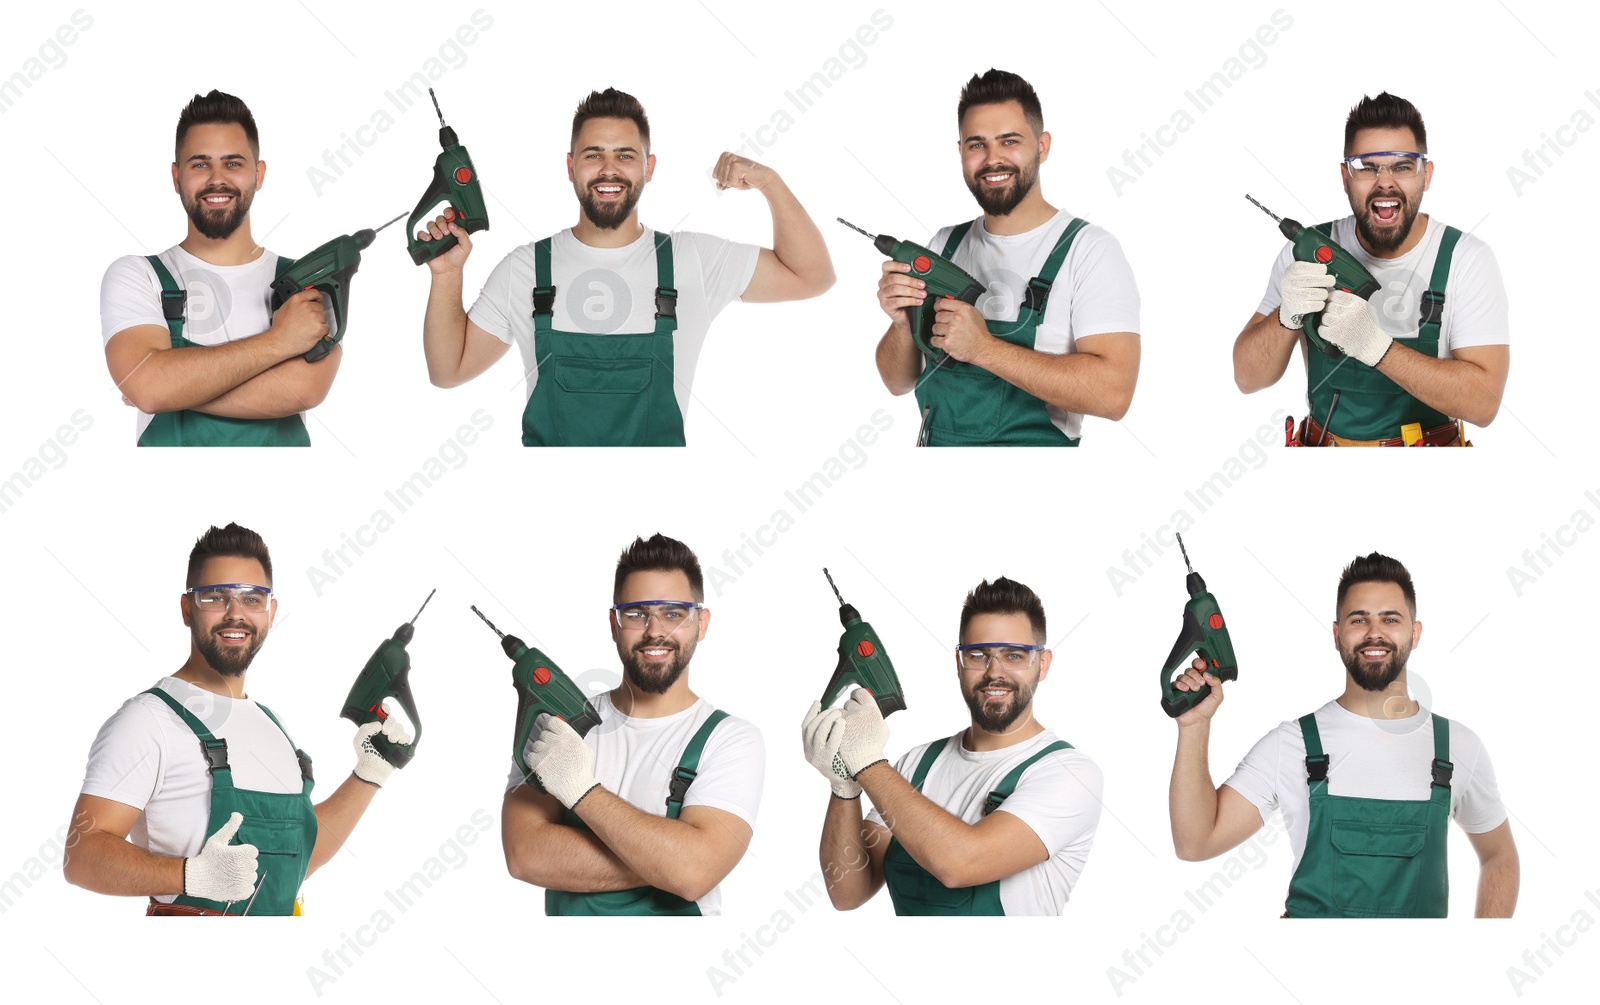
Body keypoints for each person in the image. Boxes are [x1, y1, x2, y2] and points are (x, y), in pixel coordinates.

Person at [419, 88, 834, 446]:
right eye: (593, 154)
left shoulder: (692, 260)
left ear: (649, 169)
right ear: (570, 167)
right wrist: (447, 275)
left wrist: (769, 182)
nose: (609, 170)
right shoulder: (525, 268)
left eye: (625, 155)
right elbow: (447, 370)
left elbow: (812, 276)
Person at [63, 524, 412, 914]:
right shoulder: (148, 720)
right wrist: (189, 876)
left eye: (252, 599)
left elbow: (299, 862)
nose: (235, 614)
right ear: (186, 608)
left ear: (271, 612)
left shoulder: (273, 726)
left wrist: (370, 773)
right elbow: (82, 857)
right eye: (216, 596)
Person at [1168, 552, 1519, 917]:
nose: (1374, 633)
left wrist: (1483, 952)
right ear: (1337, 635)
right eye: (1358, 619)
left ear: (1414, 634)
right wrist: (1194, 727)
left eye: (1390, 619)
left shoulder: (1456, 746)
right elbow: (1195, 842)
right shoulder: (1292, 744)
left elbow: (1500, 855)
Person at [872, 69, 1140, 446]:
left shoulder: (1089, 250)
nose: (992, 159)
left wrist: (983, 348)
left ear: (1042, 146)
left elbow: (1113, 397)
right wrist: (902, 323)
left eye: (1009, 141)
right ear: (961, 151)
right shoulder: (944, 244)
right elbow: (897, 383)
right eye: (976, 144)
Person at [805, 577, 1103, 914]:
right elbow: (847, 892)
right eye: (978, 654)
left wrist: (868, 763)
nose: (995, 672)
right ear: (958, 663)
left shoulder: (1070, 774)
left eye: (1015, 655)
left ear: (1043, 664)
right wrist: (844, 787)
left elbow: (960, 863)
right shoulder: (914, 766)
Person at [501, 534, 763, 915]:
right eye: (637, 614)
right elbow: (524, 854)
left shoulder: (732, 740)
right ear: (614, 623)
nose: (655, 630)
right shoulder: (558, 724)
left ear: (701, 624)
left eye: (673, 613)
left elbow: (695, 873)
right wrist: (669, 857)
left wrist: (579, 790)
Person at [1233, 92, 1510, 446]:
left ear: (1426, 175)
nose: (1384, 181)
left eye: (1402, 165)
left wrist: (1377, 348)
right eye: (1366, 166)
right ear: (1345, 176)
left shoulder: (1465, 259)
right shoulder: (1304, 252)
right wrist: (1286, 317)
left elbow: (1484, 405)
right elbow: (1247, 378)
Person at [100, 91, 339, 446]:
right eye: (199, 164)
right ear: (176, 177)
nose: (216, 179)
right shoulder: (137, 275)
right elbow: (148, 388)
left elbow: (304, 390)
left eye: (233, 163)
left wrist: (167, 386)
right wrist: (278, 342)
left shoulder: (308, 280)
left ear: (258, 175)